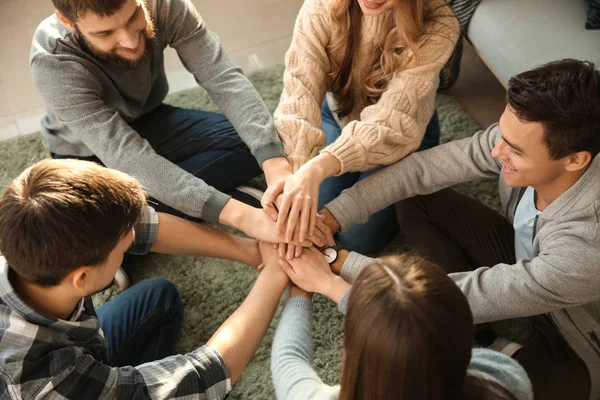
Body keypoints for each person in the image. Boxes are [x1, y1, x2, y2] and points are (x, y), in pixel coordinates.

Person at [317, 59, 600, 399]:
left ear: (575, 160)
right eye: (502, 134)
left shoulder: (587, 245)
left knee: (463, 388)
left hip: (571, 341)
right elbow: (421, 171)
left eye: (515, 150)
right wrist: (332, 216)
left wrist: (338, 261)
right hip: (524, 263)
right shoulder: (523, 138)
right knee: (417, 198)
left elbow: (466, 293)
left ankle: (499, 348)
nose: (497, 151)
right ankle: (479, 336)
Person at [0, 159, 290, 399]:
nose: (134, 239)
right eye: (125, 248)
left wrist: (250, 251)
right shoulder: (48, 382)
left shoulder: (25, 235)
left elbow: (142, 225)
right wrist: (275, 275)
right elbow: (201, 378)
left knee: (158, 299)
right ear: (83, 278)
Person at [29, 0, 296, 241]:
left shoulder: (164, 5)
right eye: (105, 33)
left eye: (134, 16)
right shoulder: (52, 62)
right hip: (88, 151)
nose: (130, 41)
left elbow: (221, 76)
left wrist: (276, 168)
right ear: (68, 23)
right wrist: (239, 215)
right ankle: (130, 221)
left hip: (149, 116)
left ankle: (156, 211)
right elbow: (126, 154)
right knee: (109, 227)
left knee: (260, 145)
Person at [262, 0, 460, 256]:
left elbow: (390, 120)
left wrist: (316, 169)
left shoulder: (439, 22)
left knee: (358, 241)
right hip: (338, 116)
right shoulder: (320, 7)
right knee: (307, 214)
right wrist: (298, 175)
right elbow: (299, 96)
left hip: (400, 133)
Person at [272, 250, 533, 399]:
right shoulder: (503, 378)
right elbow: (419, 336)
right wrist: (329, 284)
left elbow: (288, 358)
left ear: (355, 348)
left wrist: (300, 290)